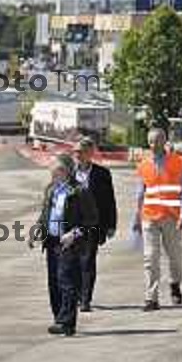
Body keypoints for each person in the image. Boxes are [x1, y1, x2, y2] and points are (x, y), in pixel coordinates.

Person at [29, 154, 98, 336]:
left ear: (67, 171)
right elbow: (45, 215)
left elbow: (92, 220)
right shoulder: (51, 190)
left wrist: (74, 234)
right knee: (54, 282)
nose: (53, 173)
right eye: (52, 170)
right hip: (51, 241)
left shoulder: (79, 191)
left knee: (66, 281)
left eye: (57, 169)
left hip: (69, 243)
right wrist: (37, 230)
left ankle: (66, 321)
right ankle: (59, 318)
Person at [133, 128, 182, 311]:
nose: (154, 145)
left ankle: (175, 283)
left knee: (174, 256)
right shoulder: (143, 164)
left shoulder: (179, 162)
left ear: (164, 141)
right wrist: (136, 217)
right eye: (151, 142)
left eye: (157, 141)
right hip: (149, 216)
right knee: (150, 257)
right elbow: (140, 193)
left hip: (171, 216)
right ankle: (151, 298)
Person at [73, 137, 118, 312]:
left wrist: (111, 225)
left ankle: (85, 299)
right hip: (72, 225)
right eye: (75, 152)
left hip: (93, 224)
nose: (77, 155)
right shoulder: (69, 172)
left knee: (88, 261)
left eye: (80, 151)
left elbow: (109, 201)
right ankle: (75, 295)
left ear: (90, 153)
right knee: (73, 261)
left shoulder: (102, 174)